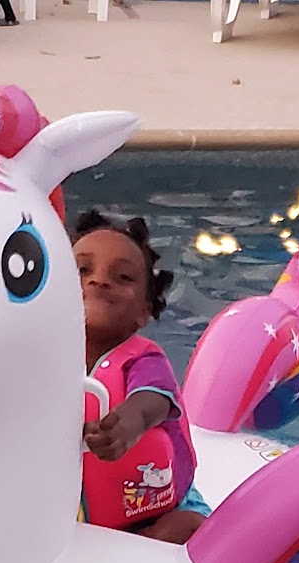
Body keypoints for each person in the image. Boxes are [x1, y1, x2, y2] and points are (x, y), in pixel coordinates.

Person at [72, 210, 211, 545]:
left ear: (145, 311)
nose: (98, 280)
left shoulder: (144, 359)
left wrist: (129, 424)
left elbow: (153, 401)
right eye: (81, 270)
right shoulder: (42, 358)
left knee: (189, 529)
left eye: (123, 277)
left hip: (160, 508)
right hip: (77, 508)